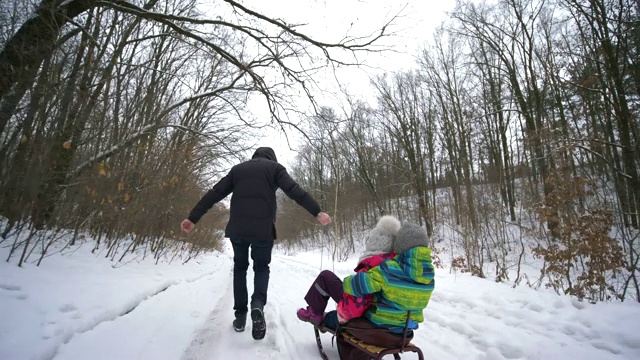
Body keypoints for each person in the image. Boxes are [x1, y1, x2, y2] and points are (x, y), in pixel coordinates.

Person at [180, 147, 332, 340]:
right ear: (272, 157)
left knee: (240, 268)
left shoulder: (238, 170)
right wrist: (317, 212)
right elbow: (295, 191)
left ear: (254, 157)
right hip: (263, 231)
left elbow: (215, 193)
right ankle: (257, 305)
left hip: (238, 230)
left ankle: (240, 316)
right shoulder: (275, 169)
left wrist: (192, 218)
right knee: (261, 268)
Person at [339, 221, 434, 351]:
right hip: (405, 333)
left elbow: (359, 285)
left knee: (347, 317)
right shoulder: (429, 275)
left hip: (380, 329)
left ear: (400, 246)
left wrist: (345, 283)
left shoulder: (390, 269)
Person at [296, 215, 401, 328]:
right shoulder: (395, 262)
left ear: (375, 244)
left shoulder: (373, 264)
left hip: (364, 310)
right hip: (379, 309)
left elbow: (358, 300)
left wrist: (343, 311)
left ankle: (314, 312)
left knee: (325, 276)